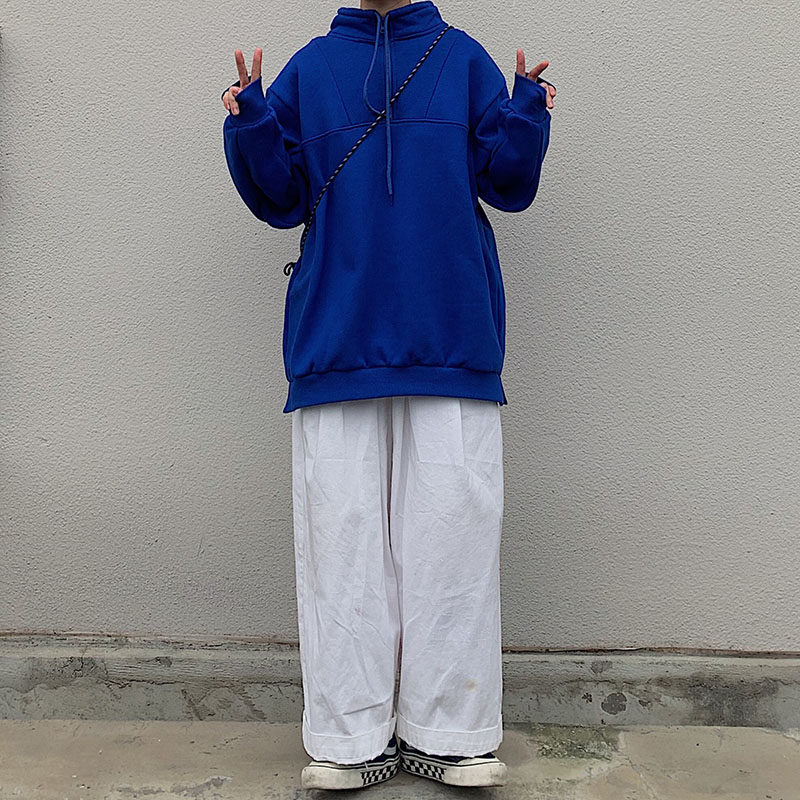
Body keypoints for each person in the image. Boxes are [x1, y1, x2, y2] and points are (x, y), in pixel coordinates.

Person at [220, 0, 555, 790]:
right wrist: (251, 121)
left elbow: (508, 186)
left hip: (452, 338)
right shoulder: (311, 67)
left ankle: (452, 732)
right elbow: (281, 200)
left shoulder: (462, 58)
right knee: (341, 548)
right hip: (338, 342)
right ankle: (348, 739)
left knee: (454, 545)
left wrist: (528, 114)